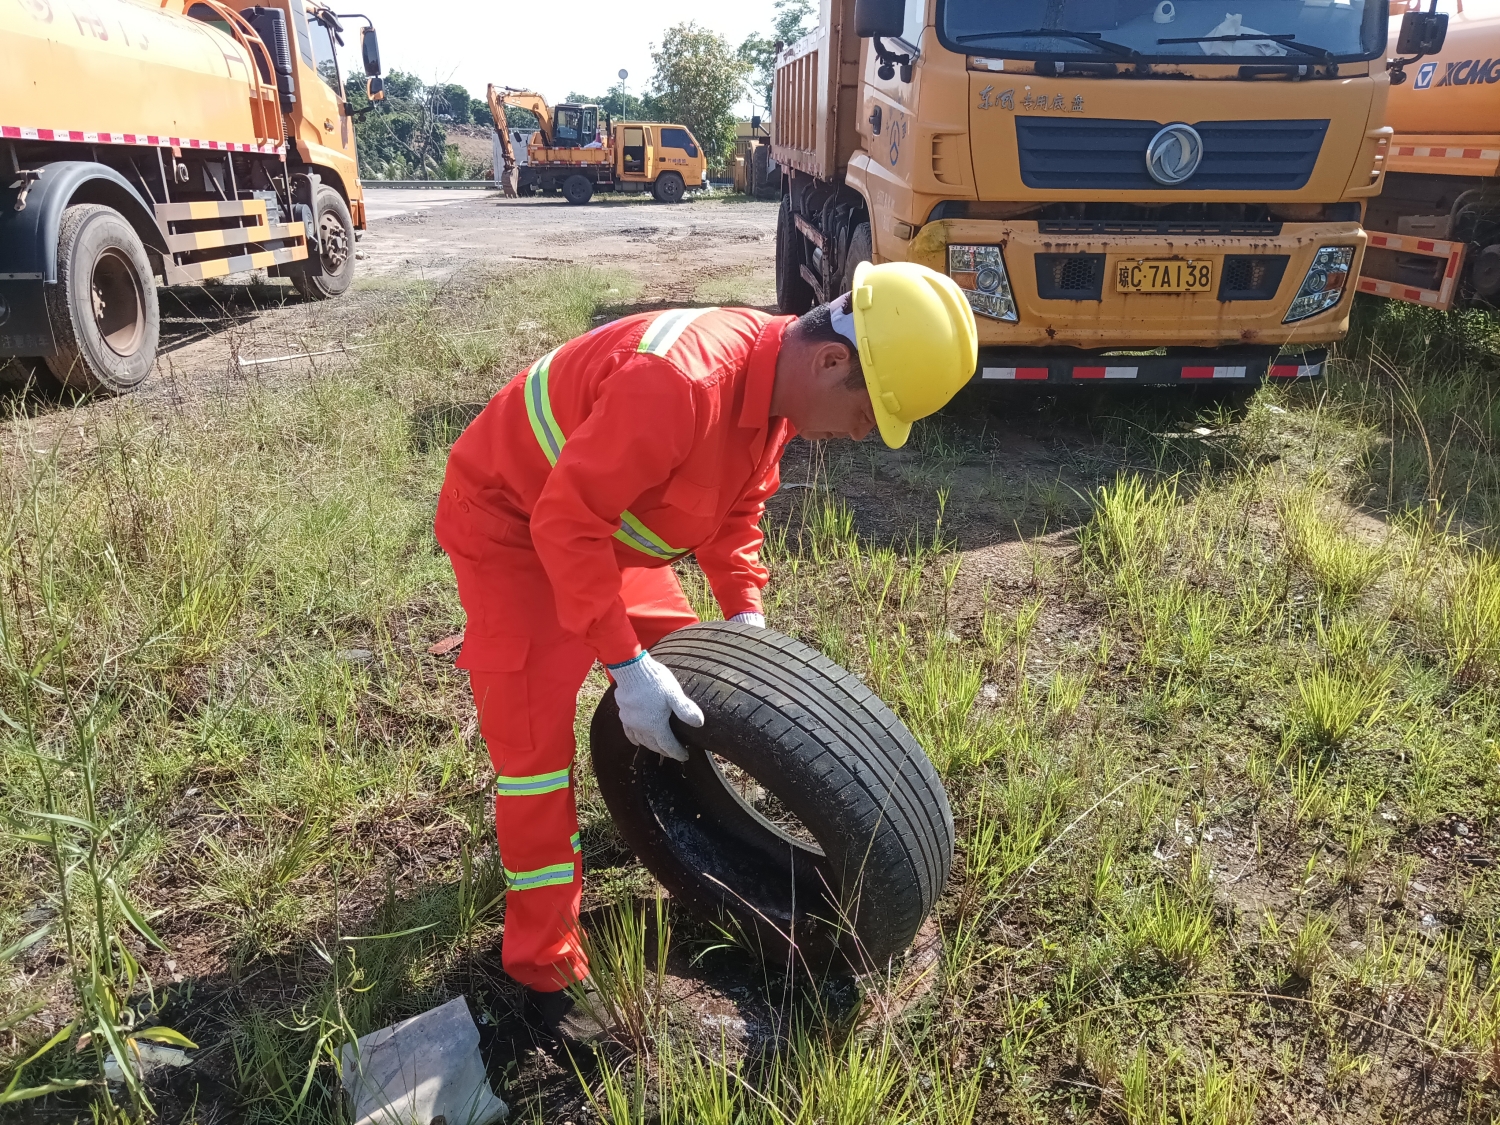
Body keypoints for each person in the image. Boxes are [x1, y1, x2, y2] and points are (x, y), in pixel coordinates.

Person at [433, 261, 977, 1034]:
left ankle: (679, 830)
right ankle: (545, 969)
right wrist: (623, 666)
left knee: (687, 679)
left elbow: (734, 510)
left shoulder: (773, 396)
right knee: (533, 756)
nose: (862, 435)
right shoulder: (682, 382)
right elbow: (564, 522)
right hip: (517, 525)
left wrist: (744, 619)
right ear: (831, 360)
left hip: (606, 530)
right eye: (868, 413)